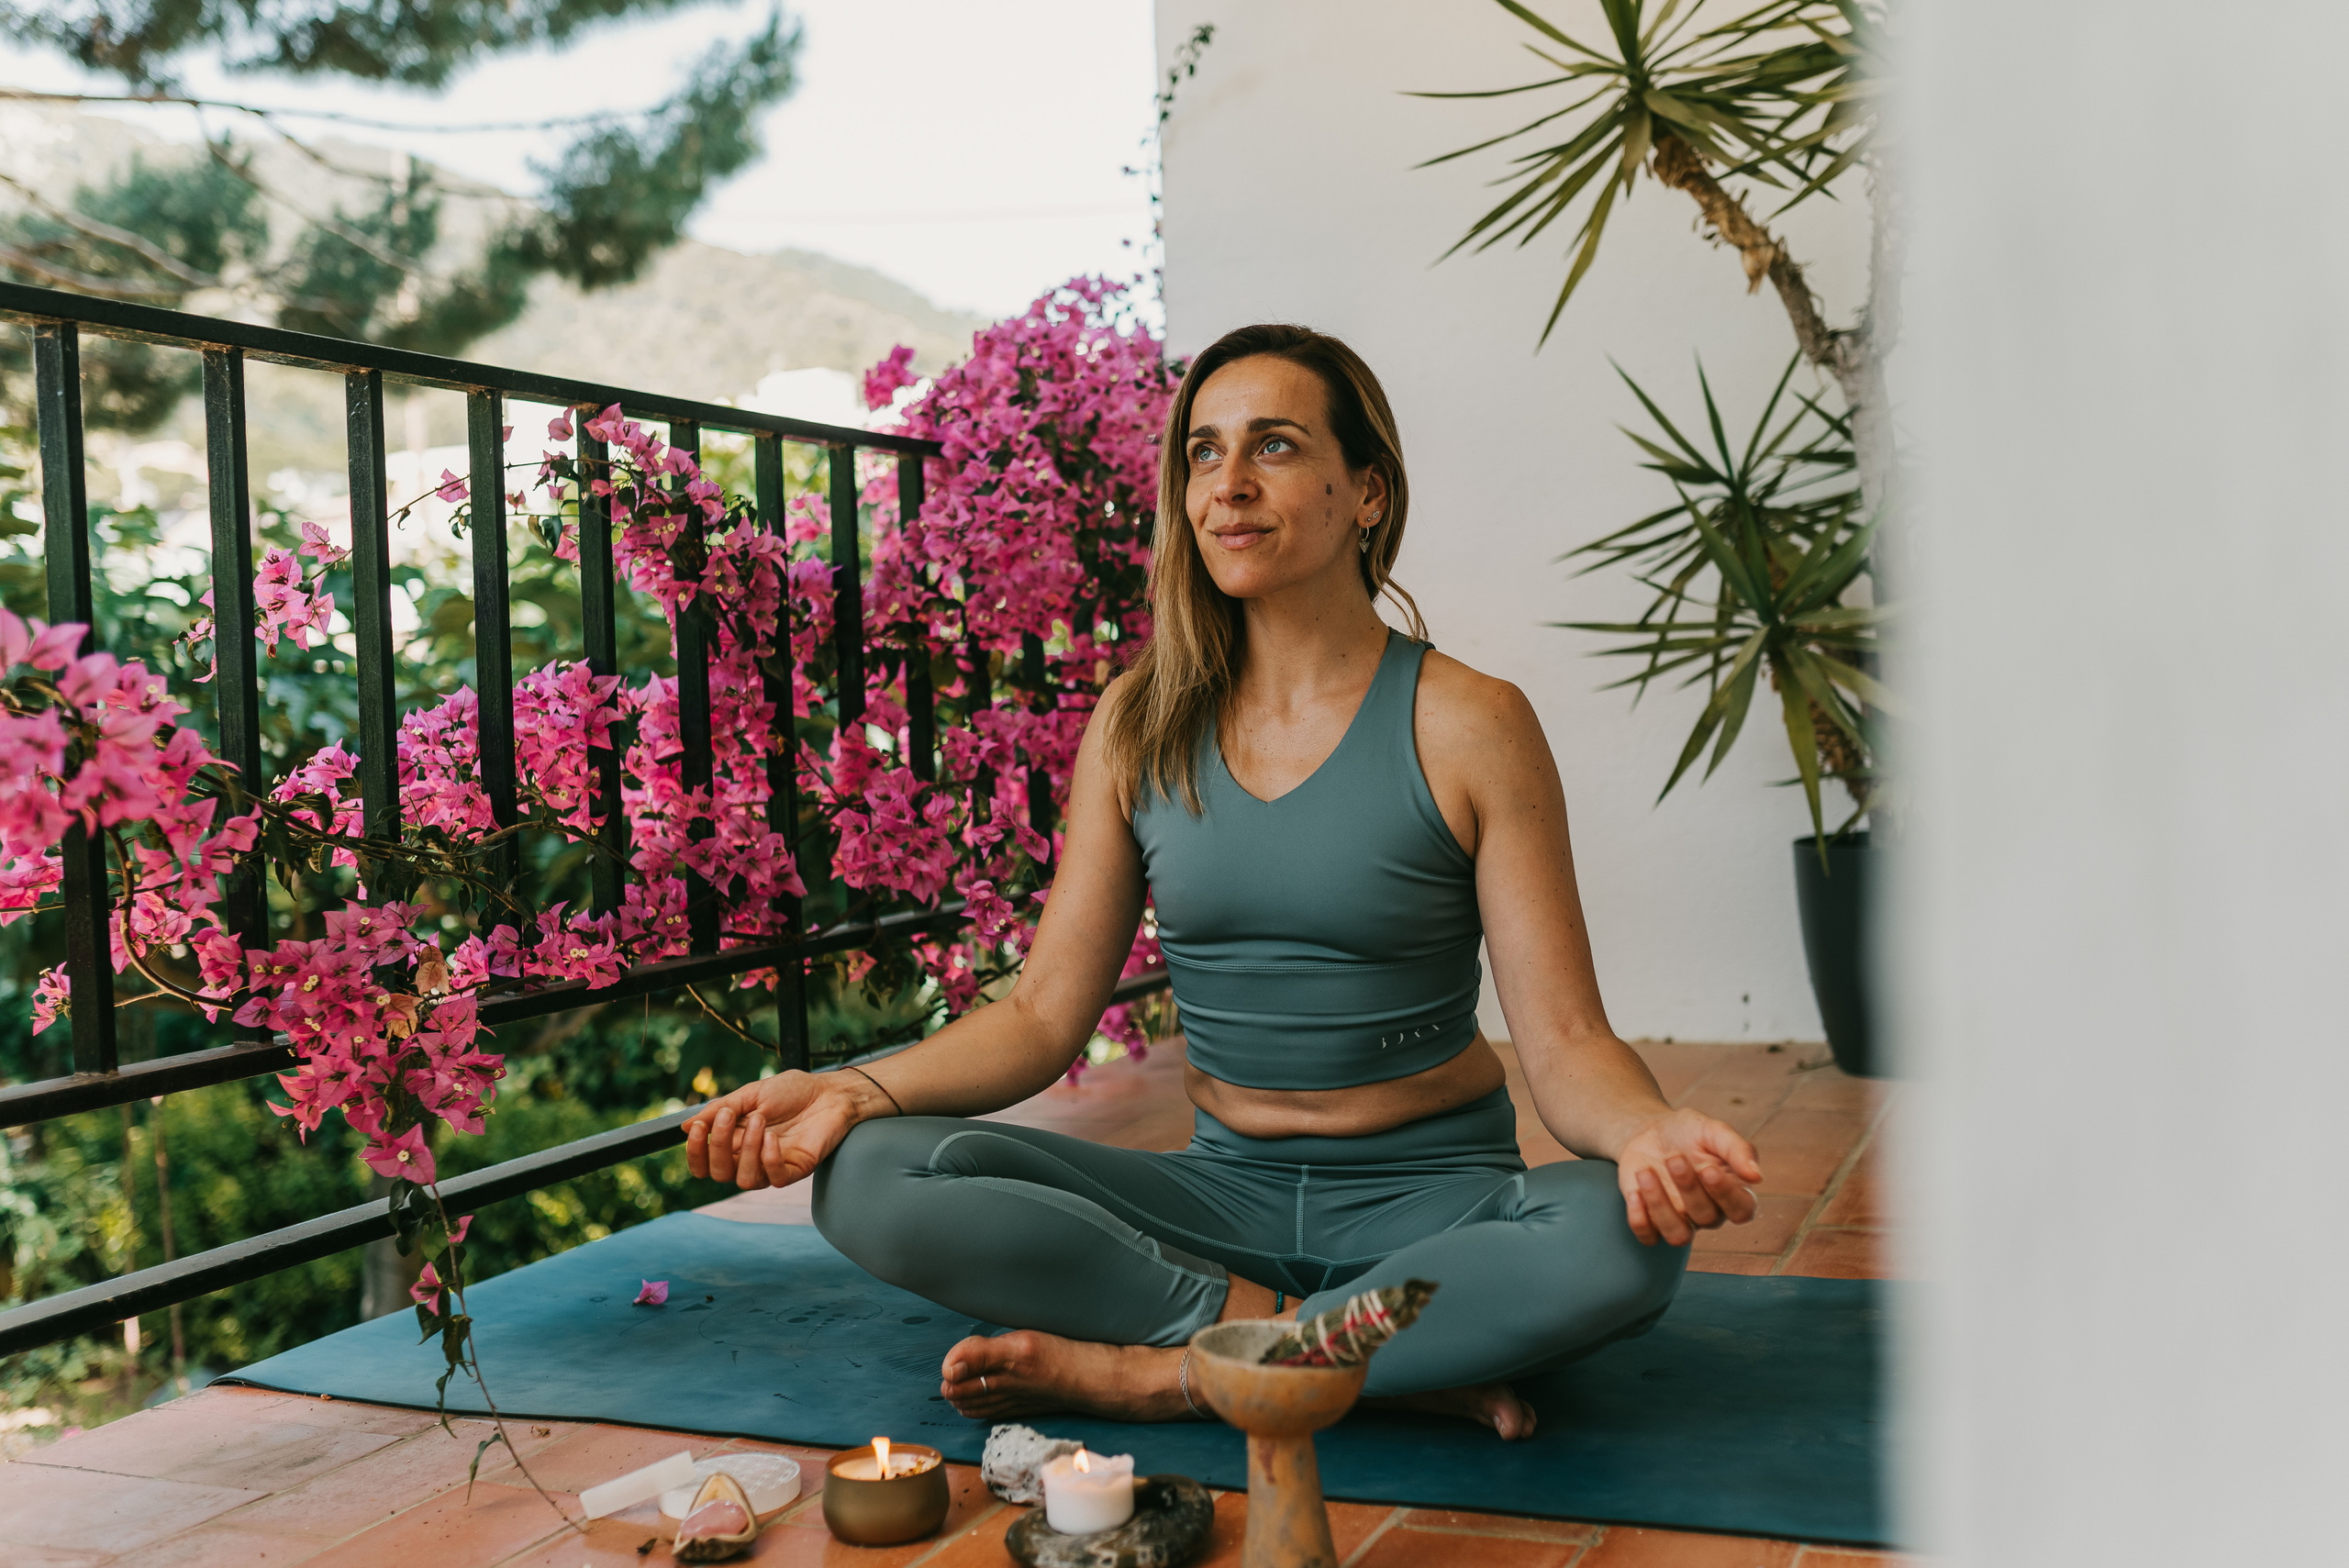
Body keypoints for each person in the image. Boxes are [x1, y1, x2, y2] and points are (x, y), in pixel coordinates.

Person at [684, 324, 1764, 1441]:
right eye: (1203, 452)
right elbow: (1044, 1012)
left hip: (1434, 1204)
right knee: (870, 1173)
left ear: (1368, 492)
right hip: (1214, 1204)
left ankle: (1165, 1375)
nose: (1227, 485)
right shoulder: (1139, 721)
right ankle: (1344, 1351)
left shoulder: (1472, 721)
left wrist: (1648, 1131)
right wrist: (856, 1090)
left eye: (1275, 445)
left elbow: (1569, 1039)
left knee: (1624, 1227)